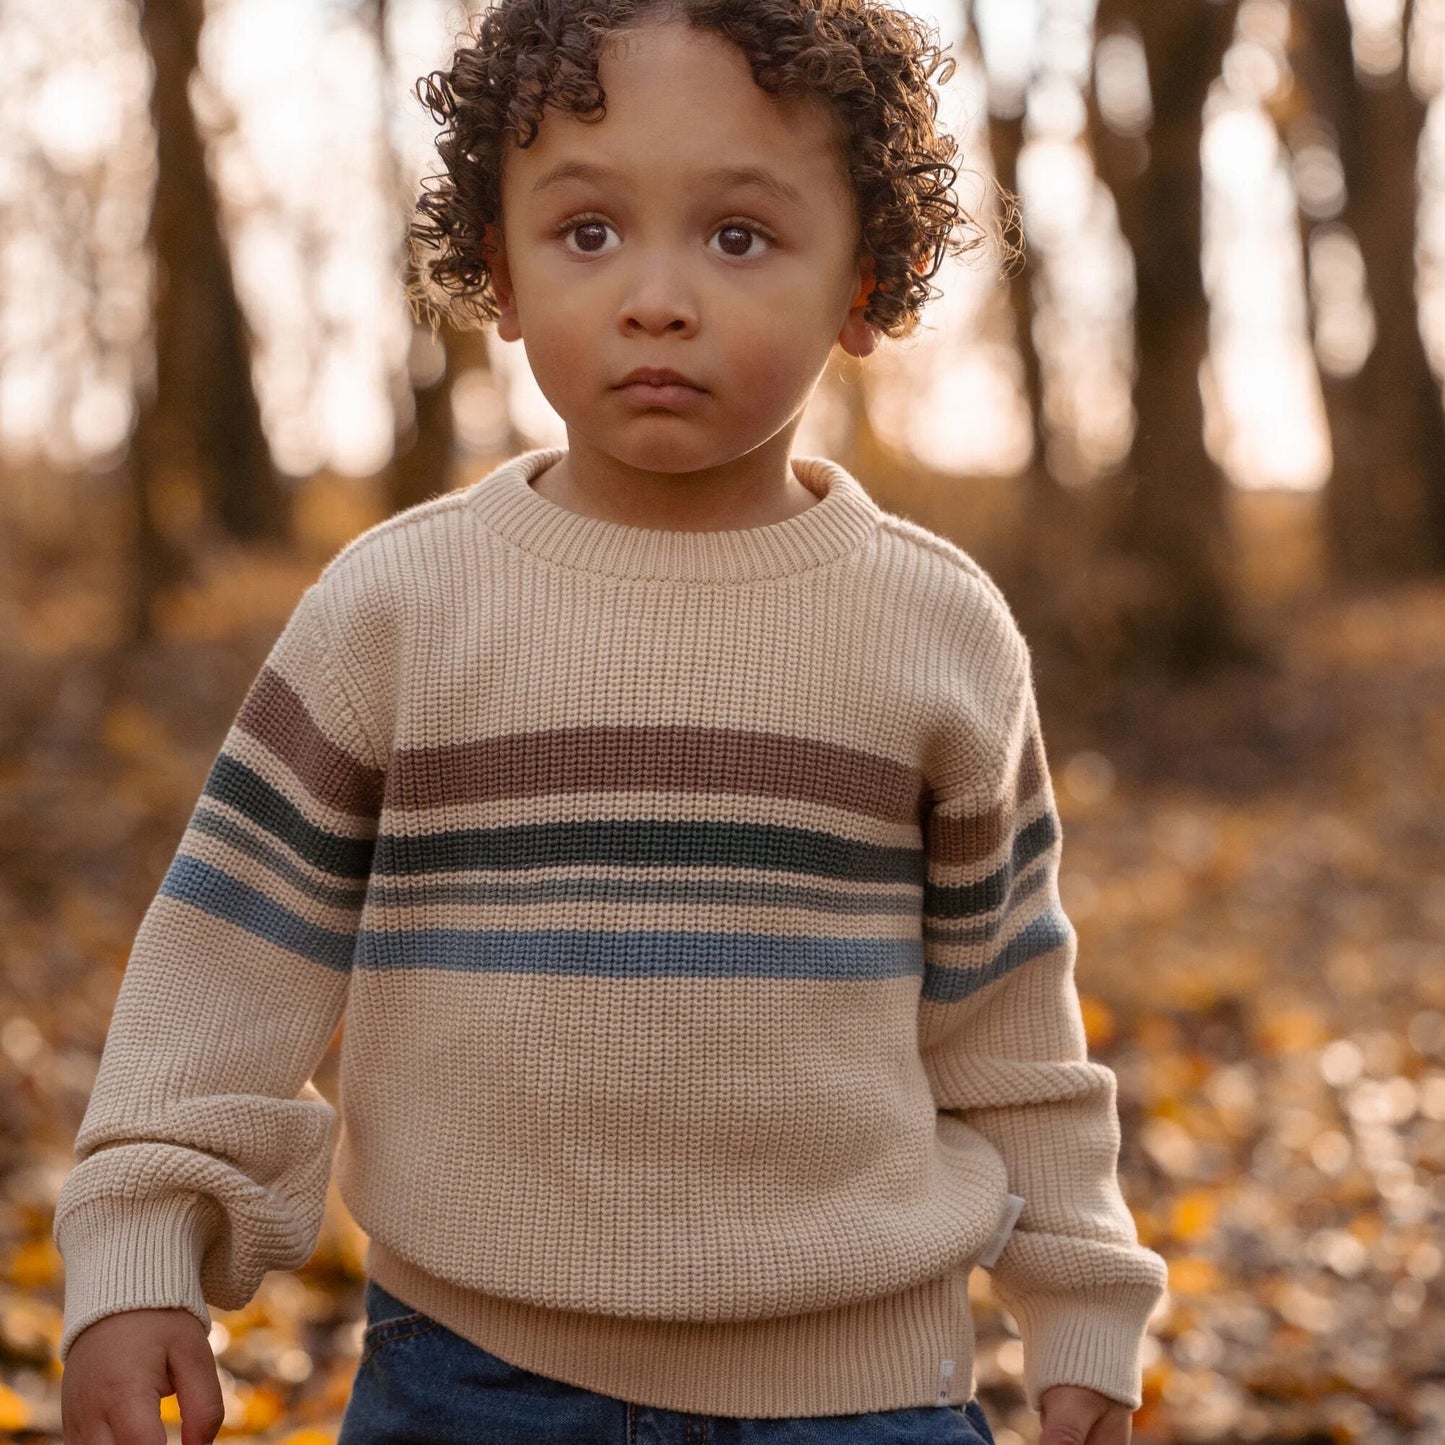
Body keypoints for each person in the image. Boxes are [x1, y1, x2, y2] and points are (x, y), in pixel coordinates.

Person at [53, 2, 1170, 1443]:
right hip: (466, 1377)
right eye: (588, 233)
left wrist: (1079, 1293)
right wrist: (137, 1240)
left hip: (859, 1395)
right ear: (500, 273)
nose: (656, 298)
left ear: (863, 281)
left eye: (738, 237)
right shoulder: (397, 606)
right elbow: (231, 947)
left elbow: (1008, 1020)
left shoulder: (932, 629)